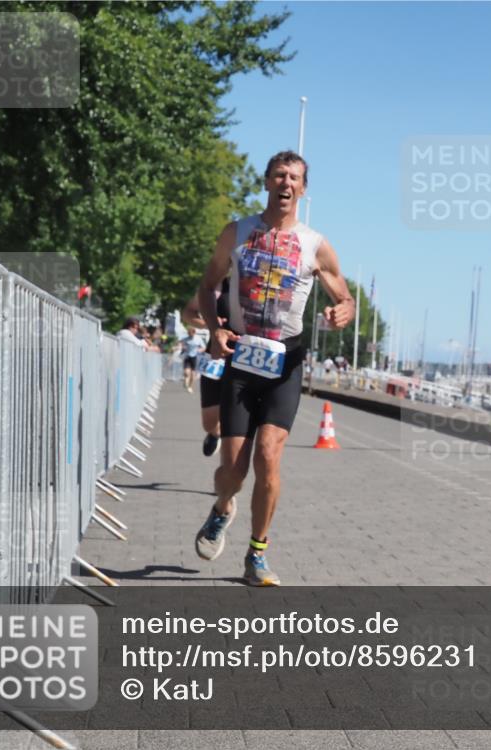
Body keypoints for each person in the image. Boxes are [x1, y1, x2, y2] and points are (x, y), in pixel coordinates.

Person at [193, 151, 355, 586]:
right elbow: (208, 286)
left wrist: (345, 312)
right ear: (266, 182)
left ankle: (257, 554)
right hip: (242, 362)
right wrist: (215, 329)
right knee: (233, 471)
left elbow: (345, 296)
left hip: (286, 361)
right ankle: (223, 507)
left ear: (303, 189)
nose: (286, 183)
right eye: (279, 175)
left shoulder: (315, 244)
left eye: (295, 178)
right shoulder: (237, 232)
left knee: (268, 455)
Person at [182, 279, 232, 457]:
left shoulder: (267, 287)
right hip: (216, 356)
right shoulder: (219, 285)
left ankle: (231, 466)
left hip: (247, 359)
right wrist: (208, 323)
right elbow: (188, 313)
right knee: (209, 422)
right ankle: (215, 432)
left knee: (236, 419)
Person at [180, 328, 206, 393]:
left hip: (195, 357)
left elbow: (203, 347)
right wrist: (182, 347)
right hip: (187, 356)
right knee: (186, 372)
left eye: (191, 333)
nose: (190, 335)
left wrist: (200, 350)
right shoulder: (186, 339)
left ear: (194, 333)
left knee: (192, 374)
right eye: (189, 333)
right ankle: (186, 381)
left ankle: (190, 386)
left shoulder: (198, 339)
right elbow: (180, 343)